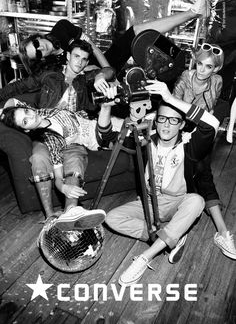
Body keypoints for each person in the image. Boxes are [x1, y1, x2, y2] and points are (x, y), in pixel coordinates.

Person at [105, 78, 222, 286]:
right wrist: (110, 107)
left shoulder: (189, 145)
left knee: (196, 201)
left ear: (183, 124)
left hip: (177, 201)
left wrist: (169, 98)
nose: (166, 125)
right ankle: (171, 236)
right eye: (162, 119)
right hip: (150, 203)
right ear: (155, 120)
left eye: (173, 120)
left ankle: (145, 257)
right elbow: (107, 137)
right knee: (112, 218)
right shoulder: (145, 138)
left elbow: (212, 124)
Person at [0, 39, 115, 221]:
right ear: (68, 56)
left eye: (84, 59)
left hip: (73, 133)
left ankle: (70, 213)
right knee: (38, 157)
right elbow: (18, 87)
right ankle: (49, 216)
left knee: (75, 157)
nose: (80, 62)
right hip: (45, 132)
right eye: (76, 56)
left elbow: (110, 70)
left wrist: (100, 75)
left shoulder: (84, 80)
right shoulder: (50, 76)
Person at [0, 90, 119, 231]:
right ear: (26, 130)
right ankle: (71, 211)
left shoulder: (43, 112)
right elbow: (58, 173)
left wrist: (2, 112)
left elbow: (13, 101)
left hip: (96, 117)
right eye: (25, 121)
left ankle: (70, 212)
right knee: (76, 161)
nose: (30, 116)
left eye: (27, 111)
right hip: (100, 135)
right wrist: (62, 187)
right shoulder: (50, 138)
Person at [19, 0, 210, 76]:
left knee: (135, 32)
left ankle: (193, 12)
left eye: (35, 44)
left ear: (37, 37)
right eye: (36, 53)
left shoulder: (61, 28)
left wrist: (107, 70)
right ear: (39, 58)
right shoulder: (51, 67)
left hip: (104, 62)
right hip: (94, 82)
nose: (39, 48)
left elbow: (92, 47)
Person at [172, 42, 236, 259]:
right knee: (200, 171)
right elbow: (173, 108)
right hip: (178, 130)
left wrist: (199, 128)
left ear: (215, 69)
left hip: (201, 130)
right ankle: (219, 231)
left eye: (208, 66)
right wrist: (183, 132)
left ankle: (216, 232)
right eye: (199, 63)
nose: (201, 70)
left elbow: (210, 111)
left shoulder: (217, 81)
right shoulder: (184, 77)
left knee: (200, 170)